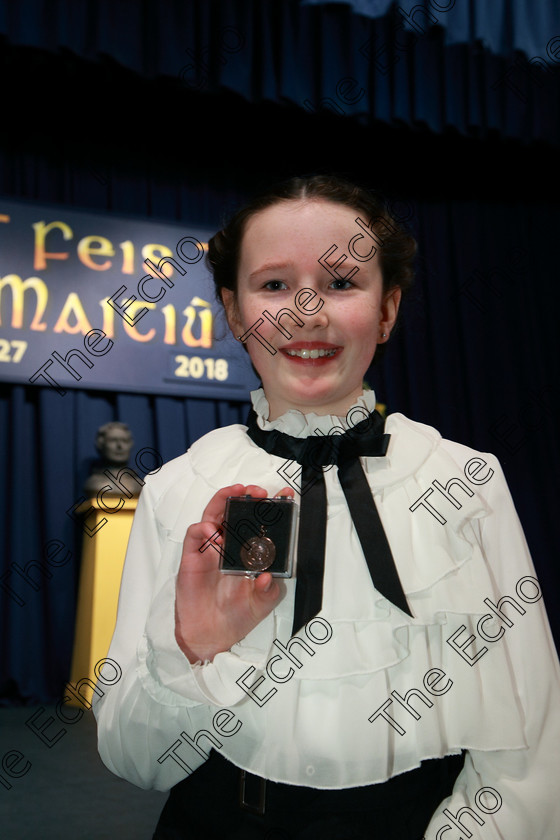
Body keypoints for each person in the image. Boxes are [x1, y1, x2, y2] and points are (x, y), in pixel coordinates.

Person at [92, 176, 560, 840]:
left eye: (341, 283)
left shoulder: (465, 479)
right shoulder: (180, 487)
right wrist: (193, 650)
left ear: (388, 309)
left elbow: (534, 741)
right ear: (233, 311)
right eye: (273, 285)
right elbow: (136, 759)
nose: (307, 310)